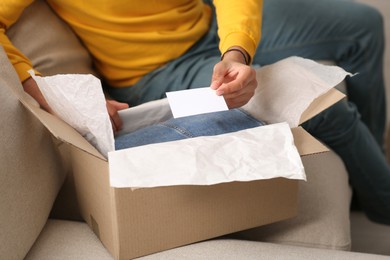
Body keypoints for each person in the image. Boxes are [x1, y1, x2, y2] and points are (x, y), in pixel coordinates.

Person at [1, 0, 389, 224]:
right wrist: (57, 96)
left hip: (209, 26)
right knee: (326, 110)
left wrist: (236, 49)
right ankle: (383, 199)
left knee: (365, 26)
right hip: (153, 71)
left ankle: (371, 169)